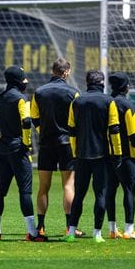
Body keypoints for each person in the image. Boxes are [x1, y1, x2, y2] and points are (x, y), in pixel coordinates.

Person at [0, 65, 46, 242]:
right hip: (18, 149)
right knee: (25, 192)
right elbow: (26, 122)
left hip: (3, 149)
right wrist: (26, 143)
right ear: (20, 82)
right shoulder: (21, 99)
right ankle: (32, 233)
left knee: (0, 191)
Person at [62, 70, 122, 243]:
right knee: (100, 195)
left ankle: (71, 232)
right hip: (102, 156)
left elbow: (71, 130)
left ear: (87, 82)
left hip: (81, 155)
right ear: (102, 83)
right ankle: (97, 234)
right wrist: (117, 154)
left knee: (79, 194)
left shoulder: (77, 101)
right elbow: (114, 130)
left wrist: (74, 153)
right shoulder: (109, 101)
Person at [30, 58, 82, 237]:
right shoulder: (73, 93)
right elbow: (77, 120)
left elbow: (34, 119)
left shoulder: (38, 92)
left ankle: (41, 227)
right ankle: (70, 227)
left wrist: (43, 130)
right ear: (66, 72)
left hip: (46, 144)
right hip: (67, 144)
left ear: (53, 71)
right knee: (68, 185)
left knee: (43, 187)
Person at [105, 72, 135, 240]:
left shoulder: (106, 102)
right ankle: (129, 229)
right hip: (126, 156)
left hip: (108, 155)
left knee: (110, 191)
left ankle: (112, 228)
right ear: (126, 87)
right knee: (129, 190)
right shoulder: (128, 105)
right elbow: (133, 135)